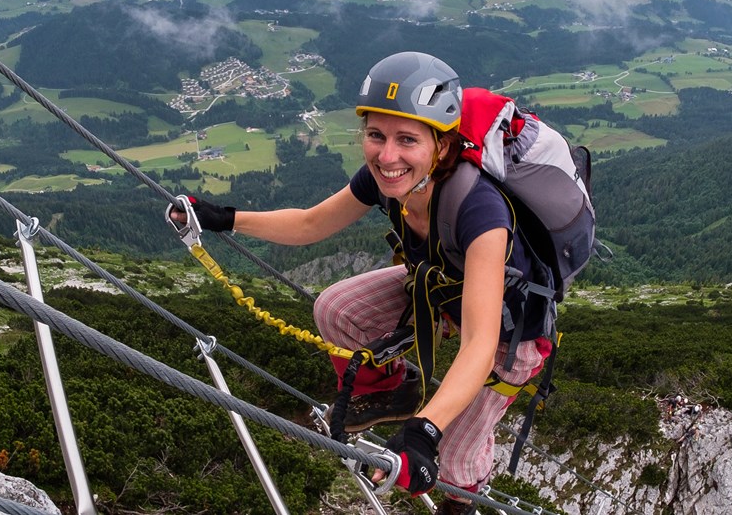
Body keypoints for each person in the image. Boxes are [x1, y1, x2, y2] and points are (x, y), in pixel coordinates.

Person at [170, 52, 551, 514]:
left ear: (443, 146)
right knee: (336, 310)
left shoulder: (480, 211)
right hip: (440, 290)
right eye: (376, 135)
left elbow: (479, 343)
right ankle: (394, 391)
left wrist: (425, 431)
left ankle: (459, 500)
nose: (387, 156)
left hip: (512, 331)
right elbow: (310, 224)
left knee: (453, 455)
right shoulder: (386, 179)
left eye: (407, 139)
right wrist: (224, 218)